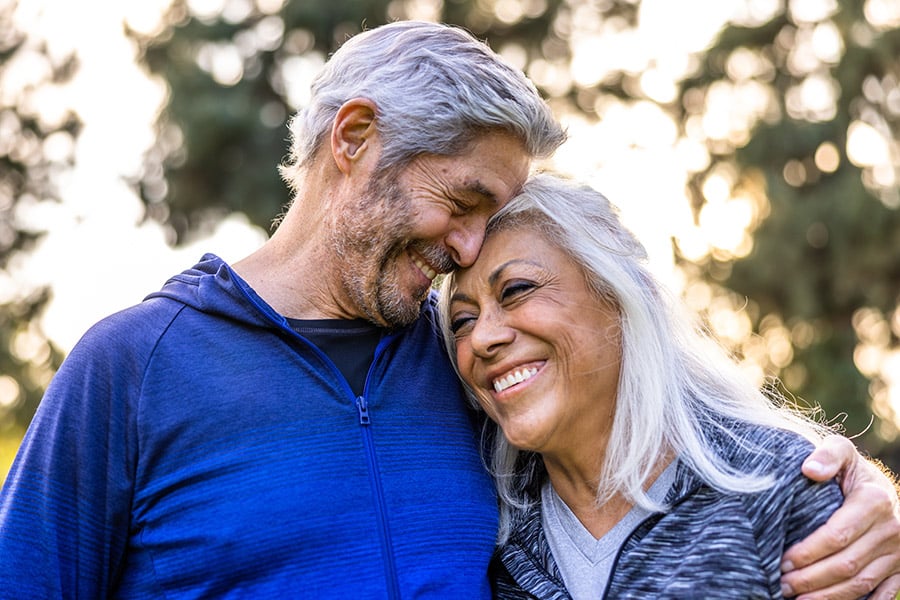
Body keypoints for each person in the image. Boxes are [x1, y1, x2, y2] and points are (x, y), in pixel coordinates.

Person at [0, 19, 896, 599]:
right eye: (462, 202)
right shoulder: (133, 367)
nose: (470, 253)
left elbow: (654, 432)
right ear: (354, 139)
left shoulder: (472, 365)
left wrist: (861, 495)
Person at [439, 173, 900, 599]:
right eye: (462, 320)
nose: (481, 337)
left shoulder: (779, 492)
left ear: (623, 296)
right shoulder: (484, 534)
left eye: (517, 289)